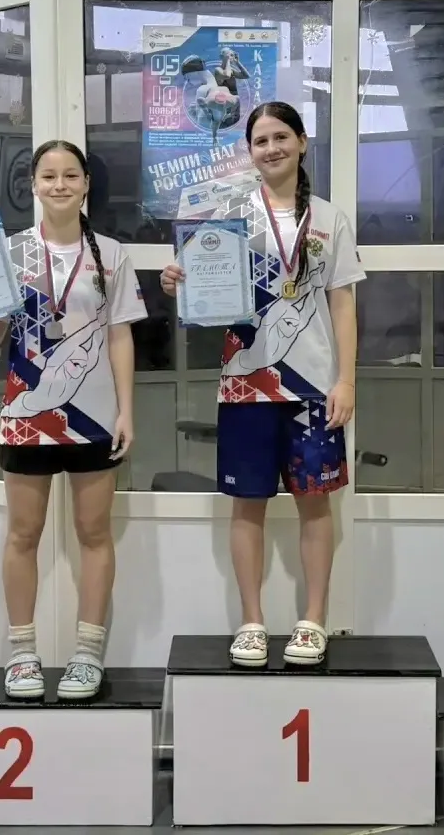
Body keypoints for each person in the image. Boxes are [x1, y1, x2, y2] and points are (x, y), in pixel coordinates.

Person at [0, 140, 145, 701]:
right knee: (23, 534)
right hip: (27, 414)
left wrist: (126, 410)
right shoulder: (7, 252)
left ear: (86, 184)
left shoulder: (112, 255)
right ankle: (22, 654)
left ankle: (87, 655)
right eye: (49, 176)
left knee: (94, 534)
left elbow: (119, 335)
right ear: (33, 185)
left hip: (94, 417)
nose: (60, 185)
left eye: (71, 175)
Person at [160, 101, 365, 667]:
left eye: (281, 137)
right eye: (260, 141)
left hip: (314, 387)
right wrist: (178, 279)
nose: (271, 148)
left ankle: (313, 620)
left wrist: (346, 381)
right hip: (245, 384)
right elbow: (201, 284)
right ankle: (251, 622)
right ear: (248, 151)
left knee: (315, 507)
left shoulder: (329, 218)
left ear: (301, 143)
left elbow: (343, 304)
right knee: (246, 505)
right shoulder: (226, 214)